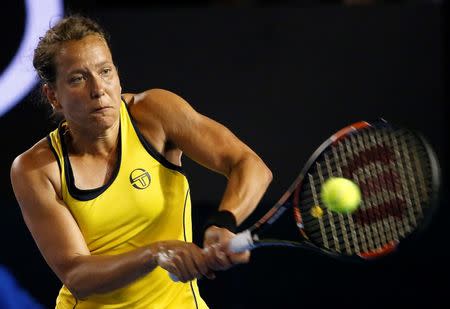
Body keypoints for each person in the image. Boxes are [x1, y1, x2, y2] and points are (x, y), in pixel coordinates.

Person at [10, 15, 272, 309]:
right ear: (53, 97)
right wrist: (155, 253)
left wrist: (224, 222)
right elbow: (77, 275)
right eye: (78, 79)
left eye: (105, 71)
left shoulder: (155, 114)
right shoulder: (35, 168)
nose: (98, 89)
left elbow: (249, 165)